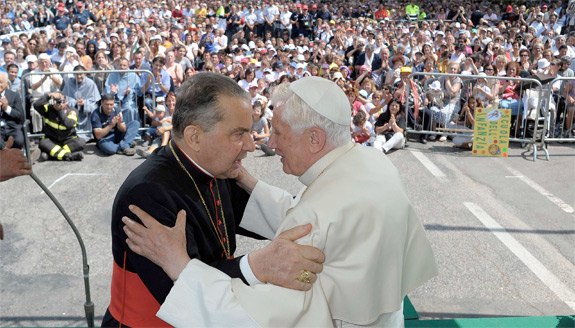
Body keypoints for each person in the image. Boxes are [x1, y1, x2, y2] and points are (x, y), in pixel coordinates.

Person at [122, 76, 438, 327]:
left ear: (315, 138)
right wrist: (248, 181)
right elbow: (308, 219)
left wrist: (182, 266)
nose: (264, 143)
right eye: (238, 134)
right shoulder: (370, 162)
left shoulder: (320, 209)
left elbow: (254, 318)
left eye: (278, 131)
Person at [101, 73, 326, 327]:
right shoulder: (146, 194)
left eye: (250, 132)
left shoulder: (216, 169)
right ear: (195, 136)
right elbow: (178, 291)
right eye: (238, 134)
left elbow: (280, 218)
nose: (251, 146)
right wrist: (258, 265)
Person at [33, 92, 85, 161]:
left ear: (65, 102)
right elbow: (36, 105)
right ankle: (69, 156)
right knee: (43, 143)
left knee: (81, 142)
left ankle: (52, 155)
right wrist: (49, 95)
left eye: (60, 101)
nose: (58, 102)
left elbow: (69, 124)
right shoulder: (48, 109)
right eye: (56, 100)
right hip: (52, 140)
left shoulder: (72, 111)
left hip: (68, 140)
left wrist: (59, 111)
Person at [62, 65, 101, 137]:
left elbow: (93, 100)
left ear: (85, 74)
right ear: (73, 74)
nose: (79, 76)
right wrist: (75, 103)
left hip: (87, 106)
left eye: (81, 74)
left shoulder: (90, 83)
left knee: (93, 109)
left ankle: (89, 133)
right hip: (73, 106)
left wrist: (84, 103)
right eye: (76, 74)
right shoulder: (69, 83)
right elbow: (65, 98)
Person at [0, 72, 25, 149]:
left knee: (19, 141)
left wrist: (7, 108)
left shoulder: (14, 96)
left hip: (12, 127)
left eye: (0, 82)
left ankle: (6, 153)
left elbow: (21, 116)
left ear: (6, 84)